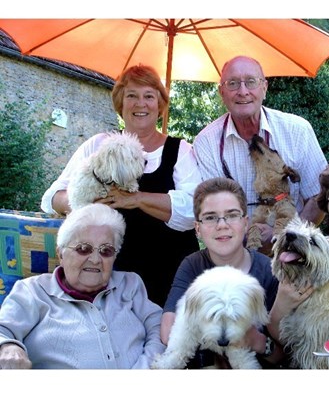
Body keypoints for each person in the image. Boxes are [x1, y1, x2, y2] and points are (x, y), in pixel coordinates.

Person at [41, 64, 201, 307]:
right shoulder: (99, 145)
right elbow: (51, 197)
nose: (141, 103)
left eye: (149, 96)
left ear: (159, 105)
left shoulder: (181, 151)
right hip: (109, 272)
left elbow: (194, 210)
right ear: (120, 104)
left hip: (170, 272)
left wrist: (136, 199)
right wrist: (85, 202)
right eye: (132, 96)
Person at [160, 177, 312, 368]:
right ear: (197, 229)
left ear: (246, 222)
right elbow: (168, 332)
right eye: (210, 217)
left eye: (232, 215)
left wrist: (256, 340)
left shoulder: (271, 271)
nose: (222, 224)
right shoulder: (192, 265)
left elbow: (283, 356)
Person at [0, 203, 165, 369]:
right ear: (61, 254)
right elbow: (2, 330)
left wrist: (145, 371)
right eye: (83, 249)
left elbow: (160, 327)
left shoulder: (130, 284)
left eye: (105, 250)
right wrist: (8, 347)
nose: (95, 259)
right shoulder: (32, 291)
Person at [193, 55, 327, 249]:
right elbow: (213, 211)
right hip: (235, 254)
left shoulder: (297, 130)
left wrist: (283, 237)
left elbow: (317, 198)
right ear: (221, 92)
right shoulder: (206, 142)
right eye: (232, 84)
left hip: (293, 252)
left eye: (251, 82)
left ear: (264, 87)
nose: (243, 91)